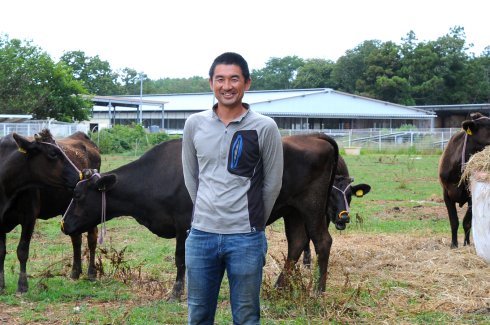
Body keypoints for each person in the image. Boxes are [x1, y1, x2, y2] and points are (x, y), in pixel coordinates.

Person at [182, 52, 284, 325]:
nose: (227, 86)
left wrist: (254, 222)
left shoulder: (264, 127)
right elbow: (192, 177)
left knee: (247, 315)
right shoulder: (194, 124)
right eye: (220, 79)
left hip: (246, 238)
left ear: (247, 83)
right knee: (199, 315)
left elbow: (273, 183)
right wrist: (206, 211)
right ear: (211, 83)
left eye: (234, 79)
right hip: (201, 236)